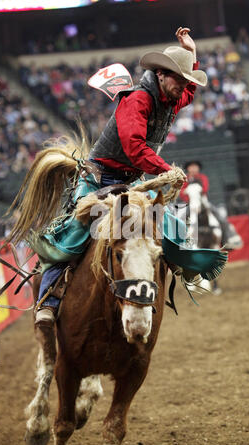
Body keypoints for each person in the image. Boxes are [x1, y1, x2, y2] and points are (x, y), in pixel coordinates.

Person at [31, 27, 210, 327]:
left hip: (132, 178)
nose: (184, 87)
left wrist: (191, 54)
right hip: (101, 176)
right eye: (179, 79)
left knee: (170, 224)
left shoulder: (170, 95)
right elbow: (135, 147)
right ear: (162, 75)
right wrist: (166, 171)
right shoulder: (138, 100)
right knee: (73, 234)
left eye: (185, 81)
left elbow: (188, 91)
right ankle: (47, 300)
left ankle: (188, 268)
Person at [179, 160, 243, 249]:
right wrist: (189, 196)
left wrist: (195, 191)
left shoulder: (203, 177)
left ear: (198, 168)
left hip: (203, 201)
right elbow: (181, 193)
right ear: (188, 168)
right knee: (180, 218)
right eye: (191, 166)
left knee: (220, 217)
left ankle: (229, 238)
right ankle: (180, 241)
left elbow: (205, 189)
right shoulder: (184, 179)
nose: (193, 168)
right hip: (189, 203)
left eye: (195, 166)